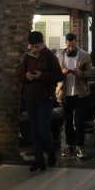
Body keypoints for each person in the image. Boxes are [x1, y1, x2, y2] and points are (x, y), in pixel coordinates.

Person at [18, 31, 63, 172]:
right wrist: (26, 77)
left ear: (42, 43)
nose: (34, 50)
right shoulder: (28, 57)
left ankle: (51, 155)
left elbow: (59, 76)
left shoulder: (50, 57)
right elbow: (20, 76)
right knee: (35, 131)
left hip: (45, 98)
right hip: (30, 99)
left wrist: (41, 75)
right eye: (32, 47)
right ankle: (39, 161)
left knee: (42, 129)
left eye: (36, 47)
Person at [57, 33, 95, 159]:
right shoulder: (60, 55)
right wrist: (61, 73)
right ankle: (69, 145)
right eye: (68, 46)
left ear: (76, 43)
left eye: (73, 46)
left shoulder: (84, 55)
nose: (70, 48)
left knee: (79, 121)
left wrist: (79, 72)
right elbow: (55, 73)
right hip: (65, 93)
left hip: (80, 93)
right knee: (67, 122)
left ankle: (80, 146)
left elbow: (91, 73)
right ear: (65, 43)